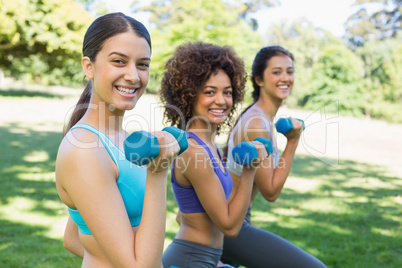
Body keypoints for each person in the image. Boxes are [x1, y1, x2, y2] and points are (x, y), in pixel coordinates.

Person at [55, 12, 180, 267]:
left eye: (142, 64)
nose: (134, 76)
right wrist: (157, 172)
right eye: (119, 61)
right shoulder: (84, 151)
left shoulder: (119, 139)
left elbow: (72, 238)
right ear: (88, 66)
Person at [159, 42, 268, 268]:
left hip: (208, 259)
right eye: (210, 92)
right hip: (189, 260)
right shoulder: (193, 150)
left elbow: (188, 214)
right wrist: (250, 169)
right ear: (188, 95)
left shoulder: (212, 147)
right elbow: (229, 226)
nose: (221, 101)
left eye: (227, 92)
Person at [220, 45, 327, 267]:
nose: (285, 78)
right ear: (258, 79)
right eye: (276, 72)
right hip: (228, 224)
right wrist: (294, 141)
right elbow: (270, 191)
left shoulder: (261, 118)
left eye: (290, 71)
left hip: (234, 217)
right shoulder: (257, 123)